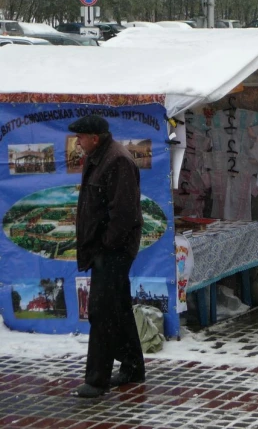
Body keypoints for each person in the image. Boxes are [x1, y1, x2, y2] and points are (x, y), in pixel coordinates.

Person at [69, 114, 145, 398]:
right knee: (118, 307)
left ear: (95, 138)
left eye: (81, 137)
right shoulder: (98, 157)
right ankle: (133, 366)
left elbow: (123, 215)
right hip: (103, 248)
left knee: (101, 311)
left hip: (114, 249)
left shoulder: (117, 160)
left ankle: (97, 379)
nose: (78, 142)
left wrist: (105, 246)